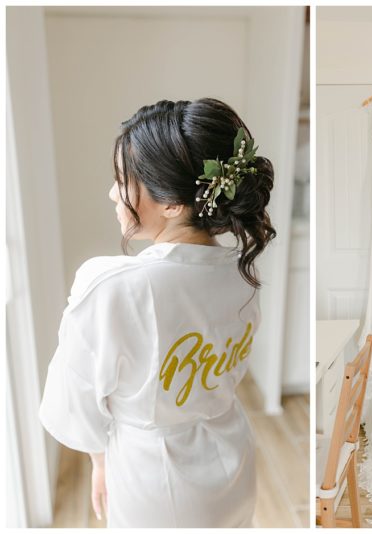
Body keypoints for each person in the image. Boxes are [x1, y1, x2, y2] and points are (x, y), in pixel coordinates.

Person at [39, 98, 276, 527]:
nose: (112, 192)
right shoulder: (242, 272)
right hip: (233, 462)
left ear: (172, 204)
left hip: (156, 480)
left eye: (122, 179)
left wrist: (99, 461)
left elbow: (74, 400)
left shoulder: (113, 286)